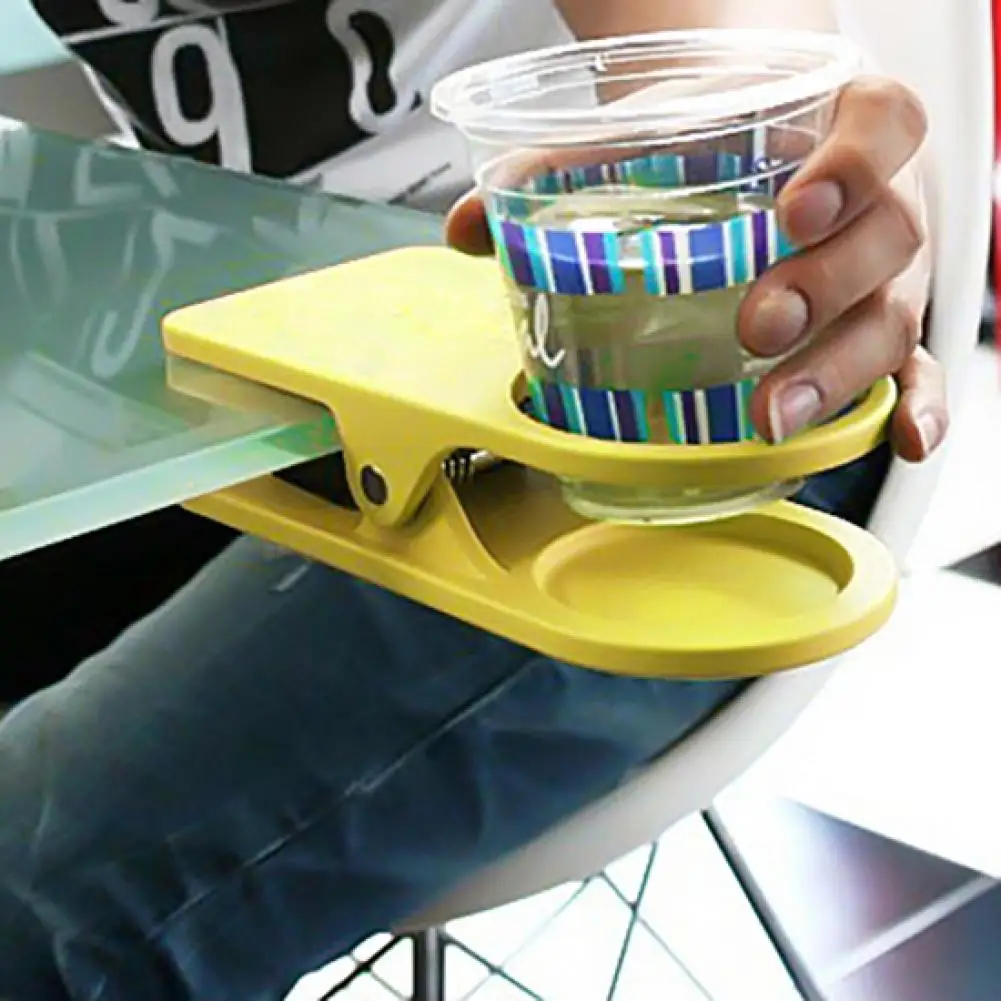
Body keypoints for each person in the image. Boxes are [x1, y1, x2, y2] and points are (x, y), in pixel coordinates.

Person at [0, 0, 947, 998]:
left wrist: (786, 166)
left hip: (660, 417)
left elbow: (716, 51)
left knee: (35, 902)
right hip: (260, 338)